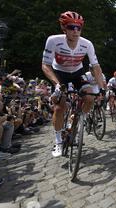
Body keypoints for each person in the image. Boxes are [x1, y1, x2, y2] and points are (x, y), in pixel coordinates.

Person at [41, 11, 106, 157]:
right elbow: (45, 65)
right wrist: (57, 84)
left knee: (90, 97)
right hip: (59, 74)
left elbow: (95, 66)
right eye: (71, 27)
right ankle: (58, 141)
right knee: (59, 107)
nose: (75, 31)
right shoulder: (53, 40)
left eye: (79, 28)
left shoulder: (86, 44)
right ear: (64, 28)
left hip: (77, 73)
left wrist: (102, 88)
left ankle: (77, 121)